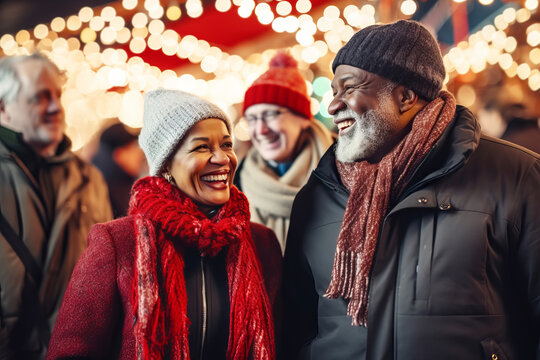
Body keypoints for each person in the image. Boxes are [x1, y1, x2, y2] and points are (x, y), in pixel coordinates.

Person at [283, 20, 540, 360]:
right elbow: (294, 326)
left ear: (405, 97)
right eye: (334, 92)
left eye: (349, 89)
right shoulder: (319, 194)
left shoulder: (516, 177)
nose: (333, 107)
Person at [47, 89, 281, 359]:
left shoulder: (262, 244)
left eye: (226, 144)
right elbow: (72, 352)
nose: (222, 158)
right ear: (166, 163)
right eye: (202, 147)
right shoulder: (117, 242)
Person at [0, 52, 112, 359]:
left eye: (57, 96)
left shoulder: (89, 178)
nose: (54, 107)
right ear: (3, 108)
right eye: (39, 97)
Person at [235, 51, 334, 253]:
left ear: (303, 118)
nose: (260, 129)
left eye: (270, 114)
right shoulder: (237, 183)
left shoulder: (341, 169)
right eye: (252, 119)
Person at [92, 122, 146, 218]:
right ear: (119, 155)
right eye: (134, 146)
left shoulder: (124, 185)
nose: (140, 152)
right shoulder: (109, 194)